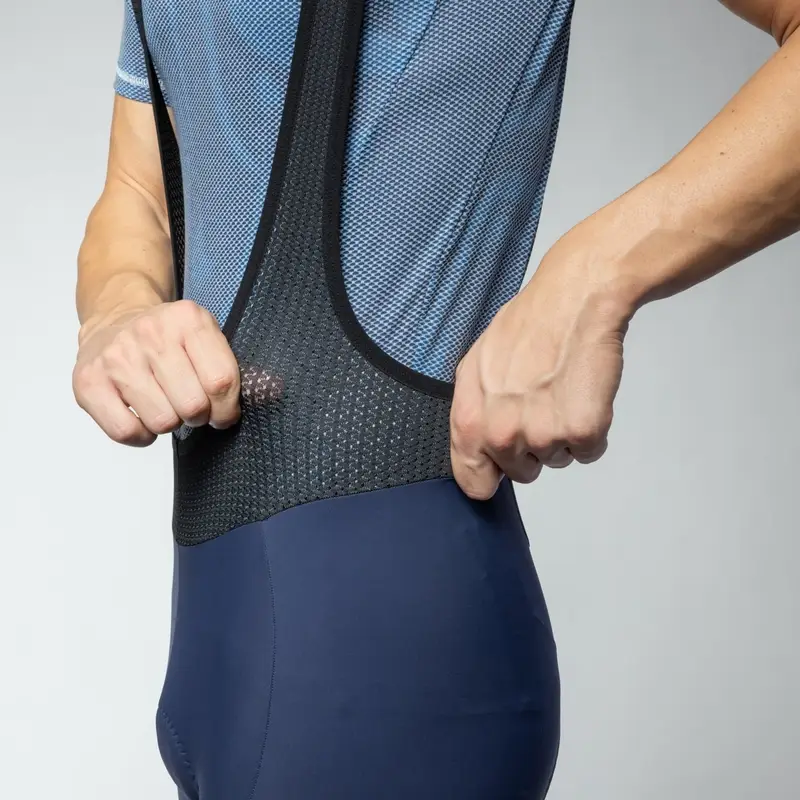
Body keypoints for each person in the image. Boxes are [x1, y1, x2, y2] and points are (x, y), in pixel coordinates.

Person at [72, 1, 800, 798]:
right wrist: (118, 309)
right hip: (213, 634)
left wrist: (595, 275)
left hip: (384, 647)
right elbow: (138, 187)